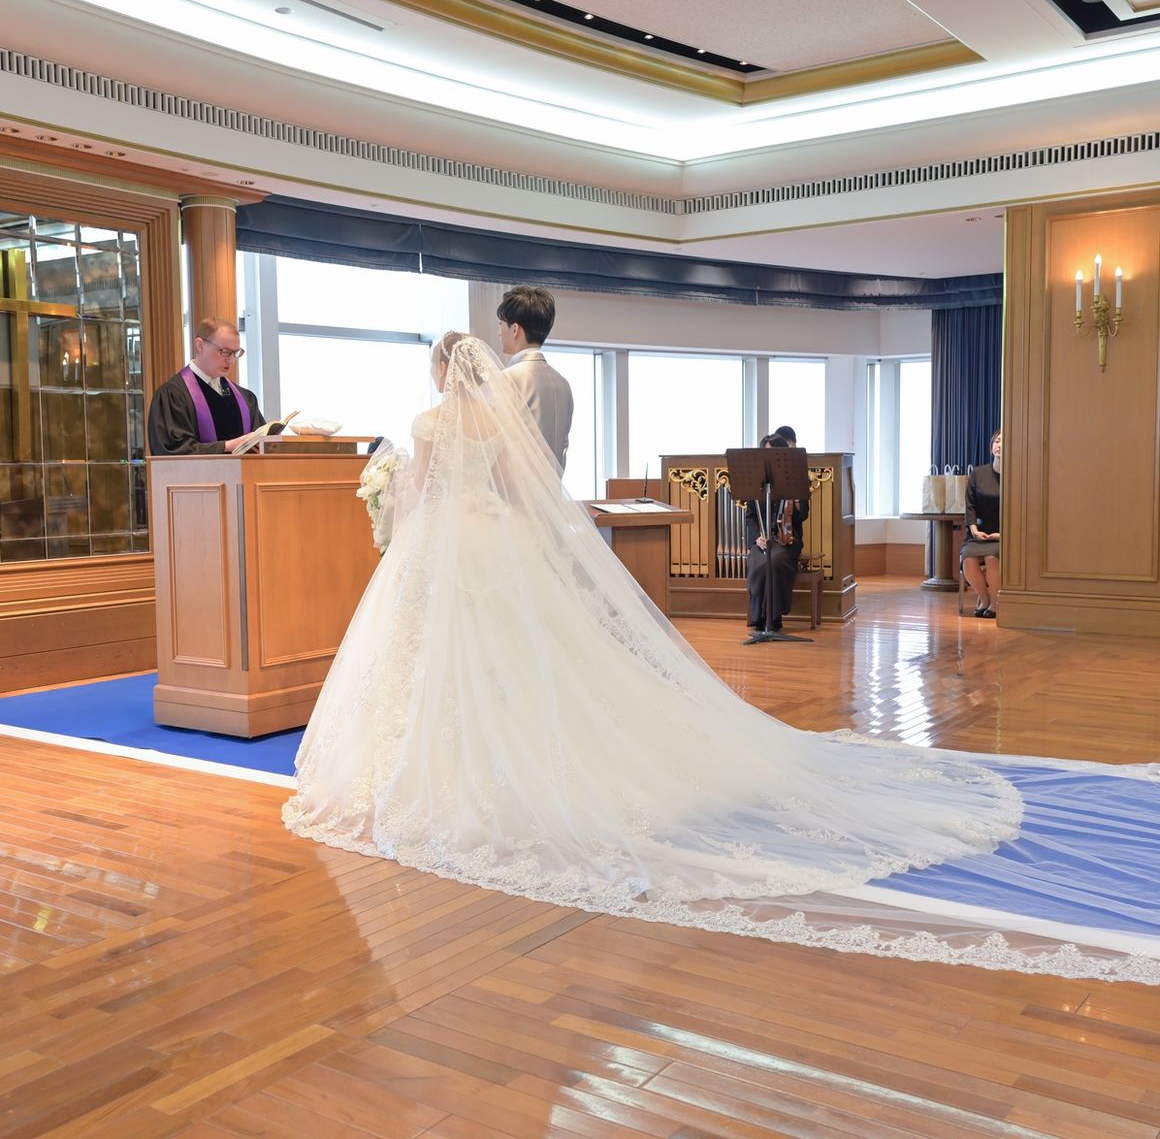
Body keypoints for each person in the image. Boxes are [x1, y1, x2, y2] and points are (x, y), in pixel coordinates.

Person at [284, 334, 1160, 984]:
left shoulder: (429, 421)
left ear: (440, 371)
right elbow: (516, 488)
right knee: (524, 656)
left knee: (455, 659)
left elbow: (427, 490)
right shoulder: (499, 416)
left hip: (449, 547)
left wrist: (389, 500)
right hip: (501, 545)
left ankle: (458, 761)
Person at [147, 317, 264, 455]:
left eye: (235, 353)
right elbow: (172, 450)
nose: (231, 360)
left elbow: (261, 445)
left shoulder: (245, 398)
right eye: (225, 352)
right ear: (200, 345)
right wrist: (226, 446)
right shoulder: (173, 395)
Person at [497, 285, 574, 471]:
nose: (499, 331)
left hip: (517, 486)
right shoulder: (563, 383)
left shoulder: (508, 378)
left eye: (501, 324)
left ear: (515, 329)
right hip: (554, 486)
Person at [745, 433, 809, 631]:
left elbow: (802, 515)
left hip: (787, 539)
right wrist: (756, 538)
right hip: (764, 539)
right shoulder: (756, 481)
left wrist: (797, 495)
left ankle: (773, 618)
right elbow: (751, 516)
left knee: (775, 560)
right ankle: (759, 617)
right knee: (758, 561)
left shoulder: (796, 477)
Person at [962, 429, 1002, 618]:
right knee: (968, 559)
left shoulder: (1016, 475)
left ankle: (995, 603)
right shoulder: (978, 473)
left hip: (1004, 534)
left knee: (992, 558)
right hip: (979, 532)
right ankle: (985, 599)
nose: (999, 445)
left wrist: (1004, 535)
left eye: (1004, 442)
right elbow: (970, 505)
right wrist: (974, 530)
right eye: (996, 441)